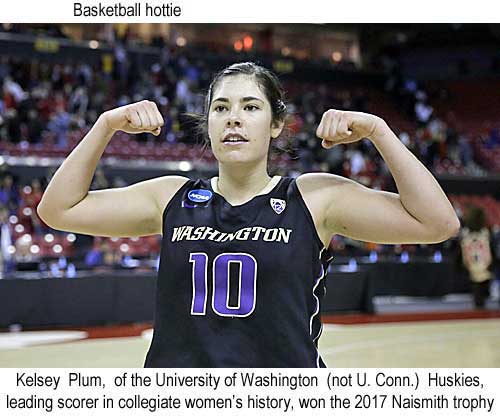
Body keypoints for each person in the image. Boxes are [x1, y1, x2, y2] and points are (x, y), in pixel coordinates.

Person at [37, 62, 460, 367]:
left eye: (250, 107)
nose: (233, 118)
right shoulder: (171, 196)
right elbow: (58, 209)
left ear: (276, 124)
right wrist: (105, 126)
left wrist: (379, 132)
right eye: (220, 108)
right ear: (208, 123)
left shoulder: (314, 197)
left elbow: (437, 223)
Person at [459, 206, 494, 309]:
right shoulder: (484, 232)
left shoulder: (481, 232)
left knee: (479, 280)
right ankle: (480, 302)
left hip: (478, 258)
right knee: (480, 280)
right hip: (479, 258)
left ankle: (479, 301)